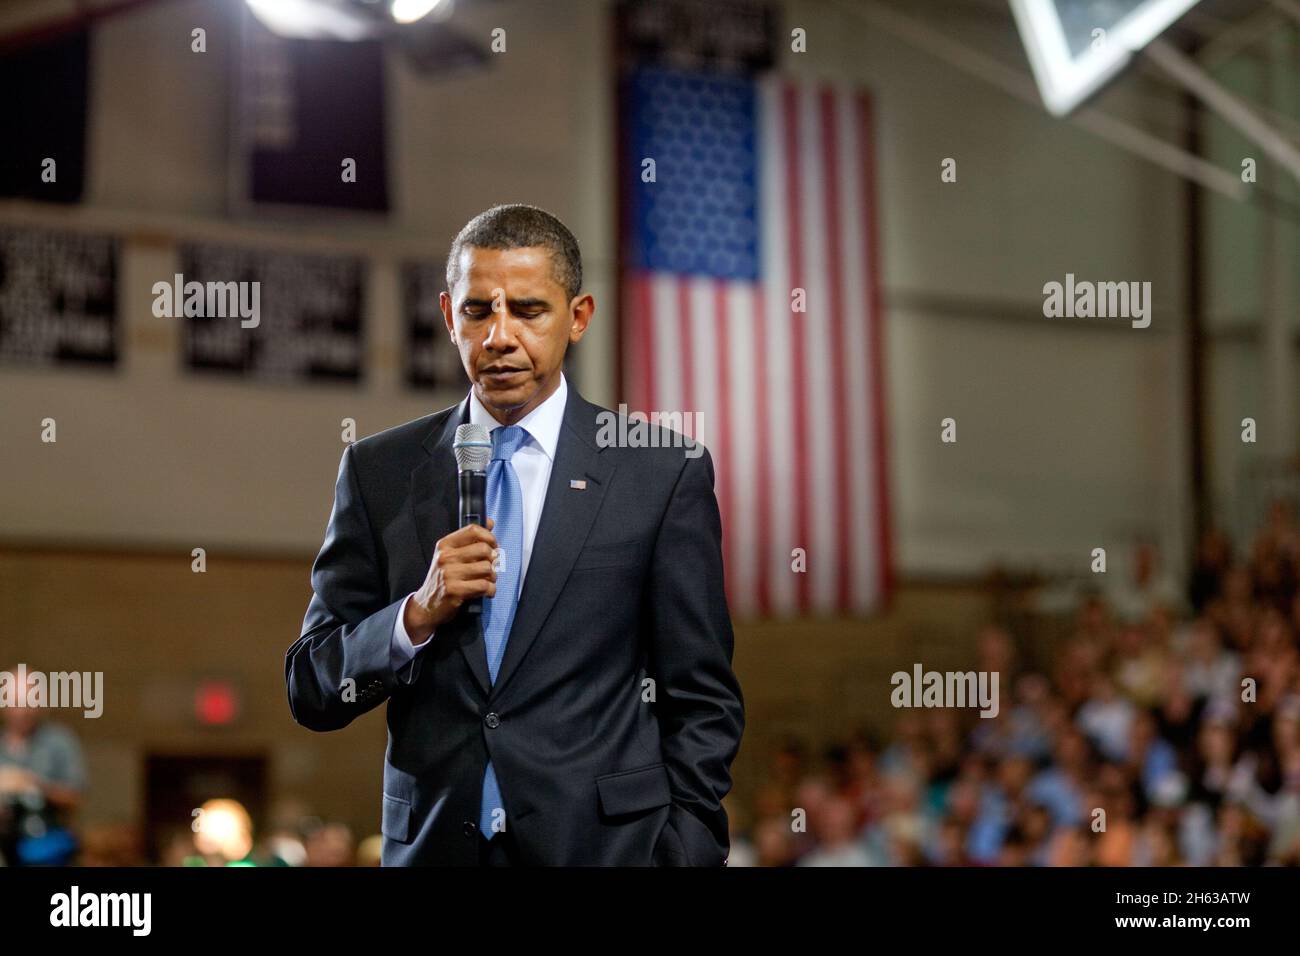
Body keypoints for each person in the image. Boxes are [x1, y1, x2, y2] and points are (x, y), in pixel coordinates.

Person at [285, 204, 745, 866]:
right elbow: (311, 687)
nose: (499, 336)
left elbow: (701, 696)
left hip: (608, 852)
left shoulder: (659, 473)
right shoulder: (379, 471)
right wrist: (414, 616)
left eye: (528, 311)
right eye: (478, 311)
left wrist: (686, 848)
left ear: (577, 317)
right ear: (449, 316)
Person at [0, 665, 87, 866]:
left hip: (46, 845)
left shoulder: (59, 742)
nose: (22, 710)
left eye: (29, 700)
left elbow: (75, 796)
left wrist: (30, 785)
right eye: (16, 701)